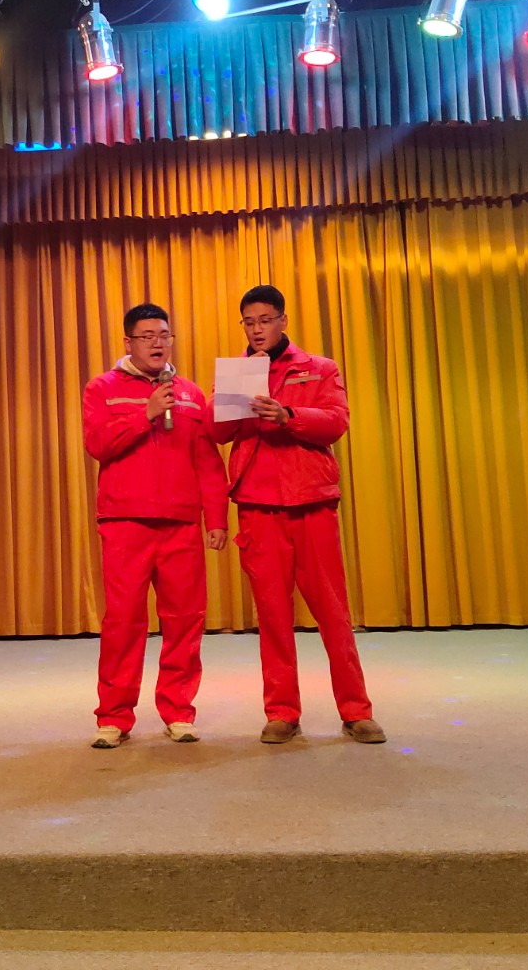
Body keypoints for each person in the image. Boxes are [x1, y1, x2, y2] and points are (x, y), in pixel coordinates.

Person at [206, 285, 386, 746]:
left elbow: (337, 421)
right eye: (249, 322)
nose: (257, 329)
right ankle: (282, 711)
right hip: (258, 504)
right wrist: (233, 397)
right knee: (271, 614)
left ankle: (356, 710)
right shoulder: (237, 371)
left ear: (283, 321)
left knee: (333, 611)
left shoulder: (318, 367)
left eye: (265, 320)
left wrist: (288, 414)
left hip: (311, 503)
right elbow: (217, 432)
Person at [82, 303, 229, 748]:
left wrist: (216, 517)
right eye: (147, 336)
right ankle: (114, 716)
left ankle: (178, 711)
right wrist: (143, 414)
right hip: (125, 522)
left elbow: (207, 462)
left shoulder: (190, 394)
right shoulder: (102, 388)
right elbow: (98, 444)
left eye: (164, 335)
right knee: (124, 621)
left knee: (185, 620)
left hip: (180, 523)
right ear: (128, 342)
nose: (158, 343)